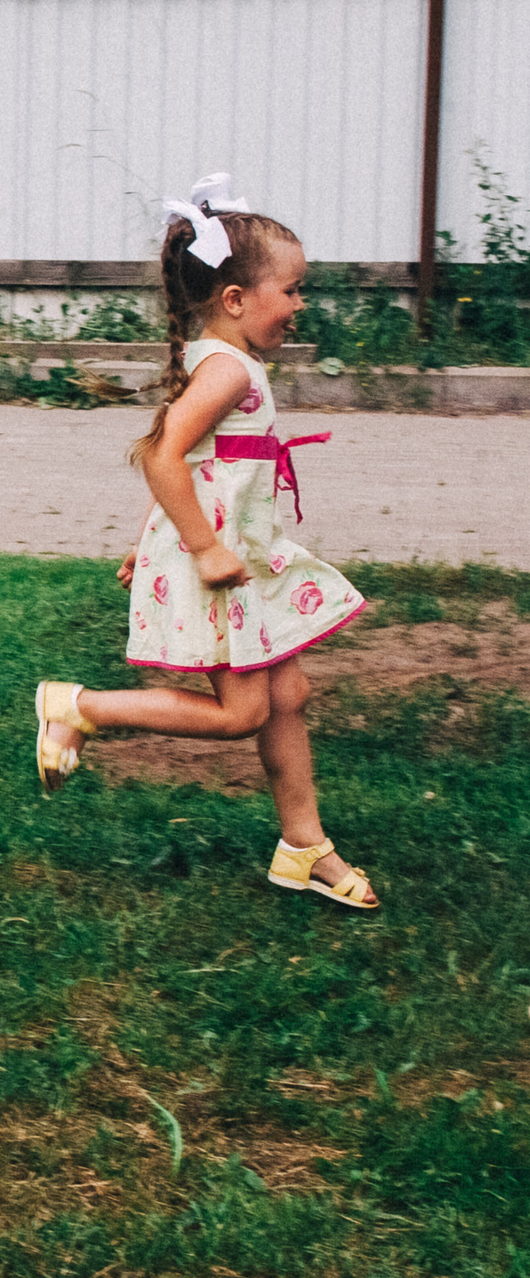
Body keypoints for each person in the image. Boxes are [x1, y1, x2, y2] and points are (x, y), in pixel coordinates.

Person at [35, 176, 374, 909]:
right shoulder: (226, 370)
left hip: (232, 554)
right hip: (217, 560)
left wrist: (147, 540)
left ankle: (304, 845)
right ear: (235, 300)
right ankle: (79, 706)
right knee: (243, 712)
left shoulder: (227, 363)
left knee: (287, 693)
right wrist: (199, 547)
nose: (300, 304)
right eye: (291, 289)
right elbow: (160, 456)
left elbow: (188, 461)